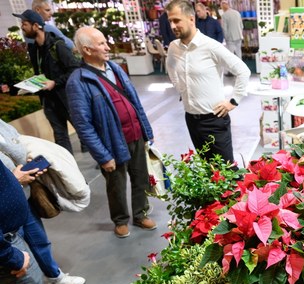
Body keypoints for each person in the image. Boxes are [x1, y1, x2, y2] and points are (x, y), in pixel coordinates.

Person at [66, 26, 157, 239]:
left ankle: (140, 213)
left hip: (135, 133)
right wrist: (103, 156)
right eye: (101, 44)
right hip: (111, 142)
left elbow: (134, 102)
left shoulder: (115, 68)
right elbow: (83, 125)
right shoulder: (78, 81)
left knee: (141, 178)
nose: (108, 47)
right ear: (87, 50)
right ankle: (120, 220)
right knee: (116, 184)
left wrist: (146, 130)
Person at [0, 120, 86, 284]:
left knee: (39, 240)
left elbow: (16, 142)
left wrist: (28, 165)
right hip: (7, 206)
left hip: (23, 195)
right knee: (20, 252)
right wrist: (14, 179)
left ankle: (55, 276)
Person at [165, 0, 250, 165]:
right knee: (207, 170)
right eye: (170, 21)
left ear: (191, 19)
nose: (173, 26)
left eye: (177, 20)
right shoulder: (173, 48)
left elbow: (243, 70)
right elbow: (171, 69)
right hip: (191, 119)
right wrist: (181, 88)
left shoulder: (210, 46)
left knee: (225, 173)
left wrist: (233, 101)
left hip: (214, 120)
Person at [14, 10, 80, 154]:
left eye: (24, 24)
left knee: (83, 131)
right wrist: (32, 84)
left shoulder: (58, 46)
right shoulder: (34, 49)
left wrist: (55, 83)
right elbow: (40, 73)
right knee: (60, 136)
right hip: (49, 101)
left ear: (36, 25)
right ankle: (69, 167)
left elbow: (74, 69)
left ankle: (104, 160)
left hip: (66, 99)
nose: (22, 27)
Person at [220, 0, 244, 75]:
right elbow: (242, 26)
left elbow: (224, 28)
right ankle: (240, 70)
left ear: (224, 5)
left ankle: (231, 71)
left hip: (230, 38)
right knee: (238, 53)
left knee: (230, 55)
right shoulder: (237, 13)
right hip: (239, 36)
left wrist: (226, 38)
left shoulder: (224, 15)